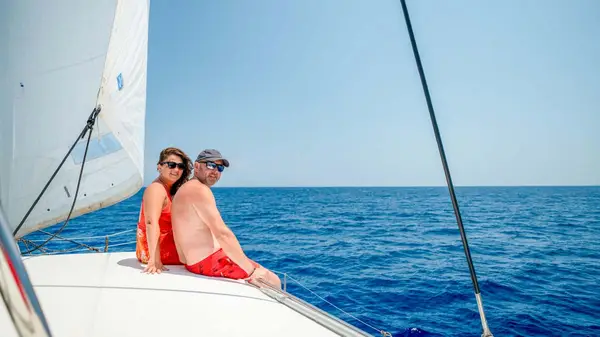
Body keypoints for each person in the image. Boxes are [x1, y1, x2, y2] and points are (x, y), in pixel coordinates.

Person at [171, 149, 281, 288]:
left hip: (193, 263)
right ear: (197, 166)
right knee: (273, 280)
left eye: (220, 168)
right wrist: (250, 271)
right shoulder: (199, 190)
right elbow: (222, 234)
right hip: (207, 263)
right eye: (211, 165)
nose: (215, 171)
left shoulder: (185, 188)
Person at [136, 147, 193, 274]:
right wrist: (155, 260)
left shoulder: (168, 188)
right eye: (171, 165)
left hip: (166, 249)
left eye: (180, 166)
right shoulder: (156, 189)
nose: (176, 170)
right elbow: (151, 223)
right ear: (159, 167)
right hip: (159, 253)